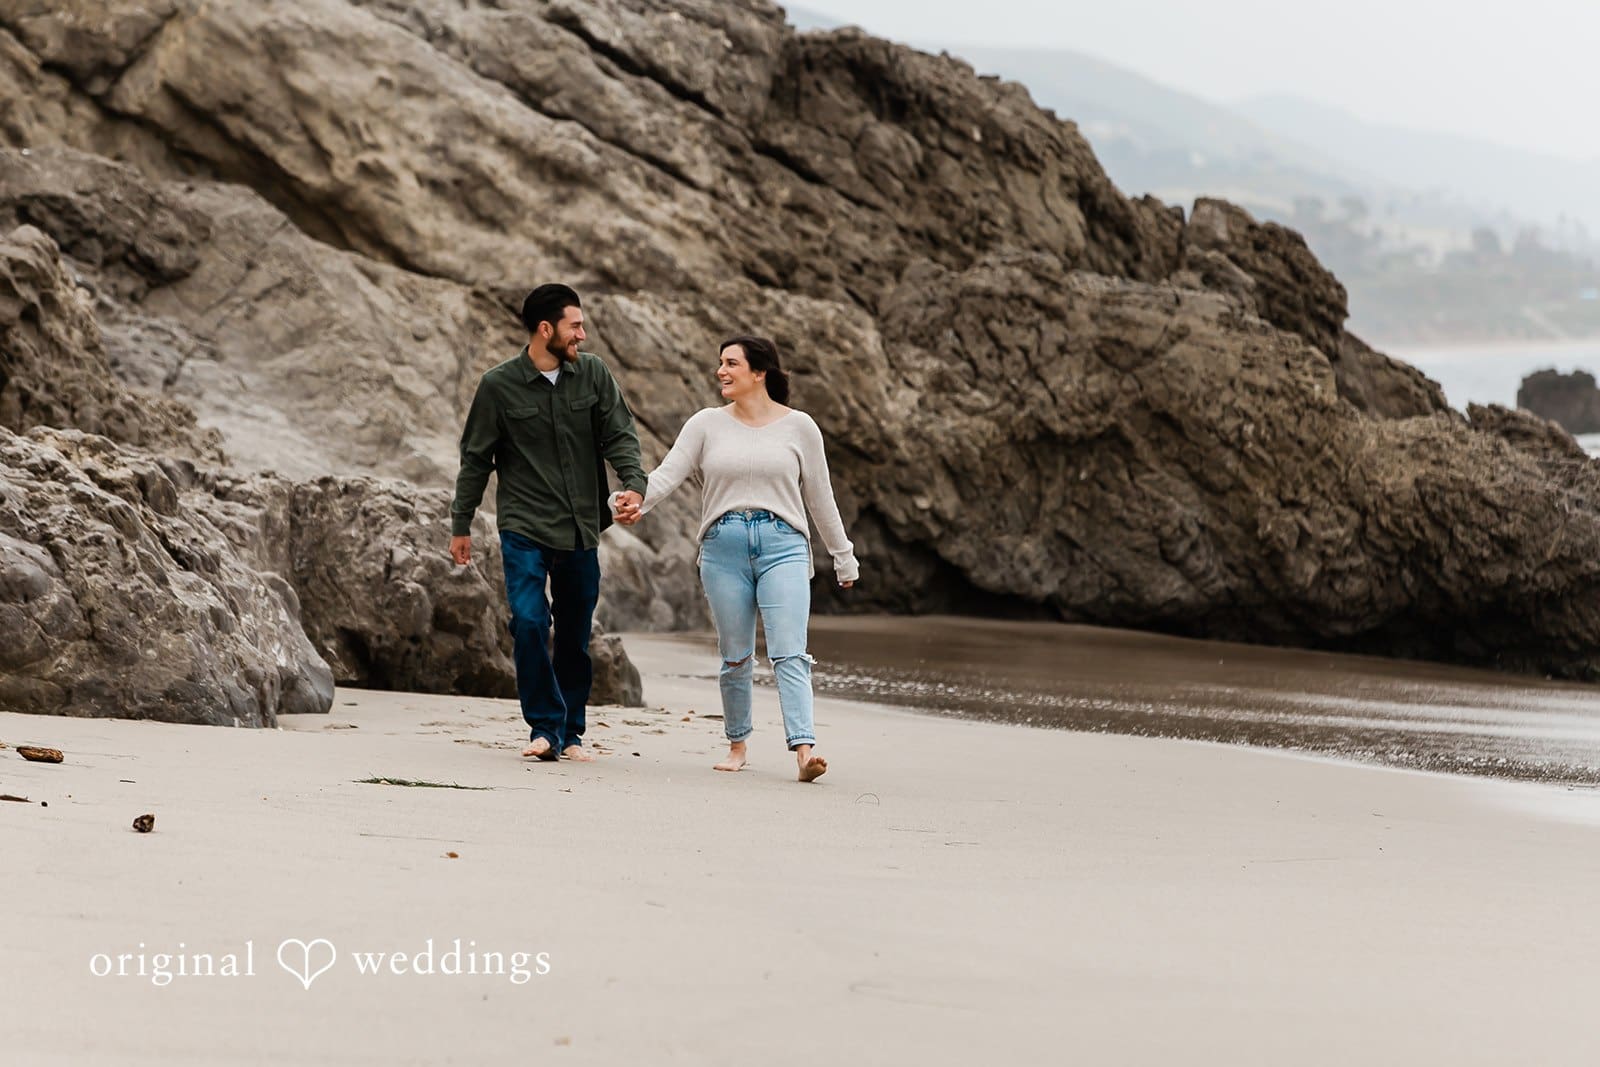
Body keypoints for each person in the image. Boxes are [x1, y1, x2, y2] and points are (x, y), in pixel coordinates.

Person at [613, 335, 858, 782]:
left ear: (759, 372)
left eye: (731, 363)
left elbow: (821, 498)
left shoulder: (800, 427)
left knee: (790, 652)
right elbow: (668, 474)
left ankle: (804, 751)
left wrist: (844, 557)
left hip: (783, 544)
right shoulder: (707, 423)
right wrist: (636, 500)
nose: (721, 371)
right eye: (720, 363)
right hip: (723, 549)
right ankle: (737, 744)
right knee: (736, 656)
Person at [449, 284, 646, 762]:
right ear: (545, 329)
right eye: (573, 325)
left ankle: (572, 733)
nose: (582, 333)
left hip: (581, 526)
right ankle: (544, 727)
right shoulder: (498, 385)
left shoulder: (593, 374)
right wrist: (461, 523)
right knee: (530, 621)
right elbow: (476, 459)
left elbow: (619, 435)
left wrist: (634, 485)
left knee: (576, 634)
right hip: (524, 526)